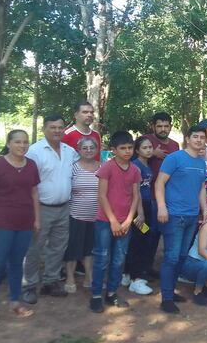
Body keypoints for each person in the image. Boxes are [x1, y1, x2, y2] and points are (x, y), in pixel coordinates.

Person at [0, 129, 40, 322]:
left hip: (24, 224)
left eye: (25, 142)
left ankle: (15, 302)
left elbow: (34, 194)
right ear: (8, 143)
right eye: (18, 142)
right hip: (1, 224)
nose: (22, 146)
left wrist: (37, 219)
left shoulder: (31, 165)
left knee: (16, 264)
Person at [23, 114, 79, 304]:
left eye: (60, 127)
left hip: (64, 207)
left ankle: (50, 281)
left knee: (58, 247)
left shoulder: (70, 151)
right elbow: (28, 184)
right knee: (35, 247)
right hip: (41, 208)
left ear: (64, 129)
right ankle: (29, 285)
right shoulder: (34, 152)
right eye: (52, 127)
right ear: (44, 129)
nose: (57, 131)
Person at [155, 124, 207, 314]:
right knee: (171, 256)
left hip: (192, 215)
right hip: (174, 215)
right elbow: (160, 183)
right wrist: (162, 207)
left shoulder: (202, 162)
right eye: (196, 137)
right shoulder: (174, 158)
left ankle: (171, 291)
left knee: (182, 256)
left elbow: (201, 187)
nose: (199, 140)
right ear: (188, 138)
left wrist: (204, 210)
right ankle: (166, 298)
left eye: (202, 137)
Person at [88, 132, 142, 313]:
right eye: (123, 148)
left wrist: (128, 220)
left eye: (130, 148)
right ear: (114, 150)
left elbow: (135, 196)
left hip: (125, 223)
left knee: (119, 260)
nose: (127, 152)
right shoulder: (107, 168)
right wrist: (113, 221)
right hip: (105, 222)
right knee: (102, 258)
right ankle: (96, 295)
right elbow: (101, 196)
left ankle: (111, 293)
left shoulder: (135, 170)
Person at [63, 137, 101, 294]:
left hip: (96, 217)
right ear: (79, 151)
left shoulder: (103, 167)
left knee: (89, 249)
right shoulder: (73, 168)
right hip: (75, 215)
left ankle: (88, 276)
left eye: (92, 147)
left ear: (97, 149)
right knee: (72, 248)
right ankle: (70, 277)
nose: (88, 150)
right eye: (85, 148)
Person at [123, 136, 155, 295]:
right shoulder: (136, 166)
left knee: (141, 238)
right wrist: (140, 213)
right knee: (140, 240)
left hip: (147, 207)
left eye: (150, 147)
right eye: (145, 148)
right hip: (138, 209)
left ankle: (127, 273)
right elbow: (136, 193)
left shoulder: (146, 165)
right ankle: (136, 279)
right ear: (137, 150)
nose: (149, 150)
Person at [145, 112, 179, 176]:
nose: (163, 129)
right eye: (159, 126)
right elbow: (132, 161)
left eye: (166, 126)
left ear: (171, 127)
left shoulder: (175, 145)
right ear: (153, 127)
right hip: (147, 184)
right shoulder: (144, 140)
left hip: (169, 184)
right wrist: (152, 153)